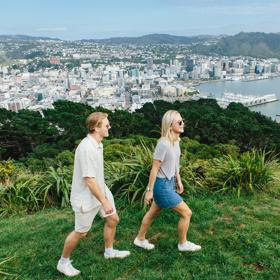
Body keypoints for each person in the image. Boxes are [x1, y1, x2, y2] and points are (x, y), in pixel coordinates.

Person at [57, 112, 130, 277]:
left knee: (113, 219)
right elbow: (89, 181)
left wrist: (104, 197)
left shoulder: (98, 143)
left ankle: (109, 251)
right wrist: (104, 201)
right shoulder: (86, 148)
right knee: (80, 232)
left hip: (100, 189)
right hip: (86, 196)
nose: (109, 127)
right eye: (106, 125)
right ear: (96, 128)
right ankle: (63, 262)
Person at [134, 110, 201, 252]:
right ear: (170, 126)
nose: (183, 124)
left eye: (182, 121)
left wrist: (179, 180)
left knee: (152, 213)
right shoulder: (163, 144)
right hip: (161, 186)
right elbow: (154, 168)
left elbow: (175, 163)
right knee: (186, 213)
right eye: (179, 122)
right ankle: (183, 244)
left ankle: (139, 239)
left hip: (169, 183)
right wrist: (149, 191)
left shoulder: (176, 141)